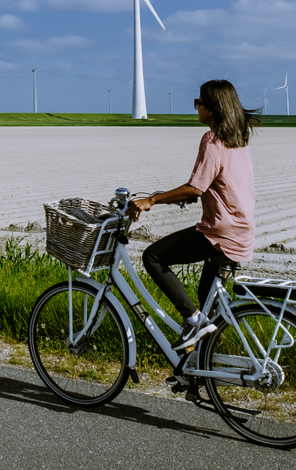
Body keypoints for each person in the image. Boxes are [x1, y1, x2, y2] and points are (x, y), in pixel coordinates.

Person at [126, 80, 260, 351]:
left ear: (212, 108)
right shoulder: (238, 137)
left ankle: (191, 320)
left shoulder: (212, 138)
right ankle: (202, 371)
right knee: (207, 302)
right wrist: (178, 197)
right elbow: (211, 184)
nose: (196, 107)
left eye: (198, 102)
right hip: (242, 232)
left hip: (220, 233)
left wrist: (152, 200)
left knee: (153, 256)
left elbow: (196, 187)